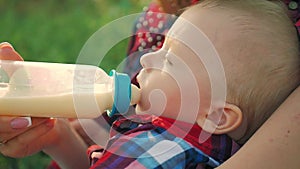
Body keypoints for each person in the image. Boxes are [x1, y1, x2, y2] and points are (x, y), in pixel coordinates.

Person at [1, 0, 300, 168]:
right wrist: (58, 137)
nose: (145, 60)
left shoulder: (170, 153)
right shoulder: (156, 138)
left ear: (215, 116)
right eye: (161, 47)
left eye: (168, 60)